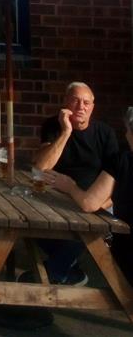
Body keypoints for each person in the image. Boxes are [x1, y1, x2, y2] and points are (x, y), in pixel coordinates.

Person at [31, 81, 119, 286]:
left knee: (89, 230)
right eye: (76, 100)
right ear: (65, 103)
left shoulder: (105, 133)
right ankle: (69, 269)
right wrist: (66, 132)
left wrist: (102, 205)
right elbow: (41, 167)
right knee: (29, 224)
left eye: (86, 102)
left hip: (94, 200)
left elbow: (116, 178)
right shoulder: (54, 126)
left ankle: (51, 275)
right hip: (57, 197)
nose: (81, 107)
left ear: (92, 107)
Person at [42, 107, 133, 286]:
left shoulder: (124, 160)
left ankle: (56, 270)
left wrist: (69, 186)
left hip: (128, 252)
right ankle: (60, 267)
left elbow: (89, 203)